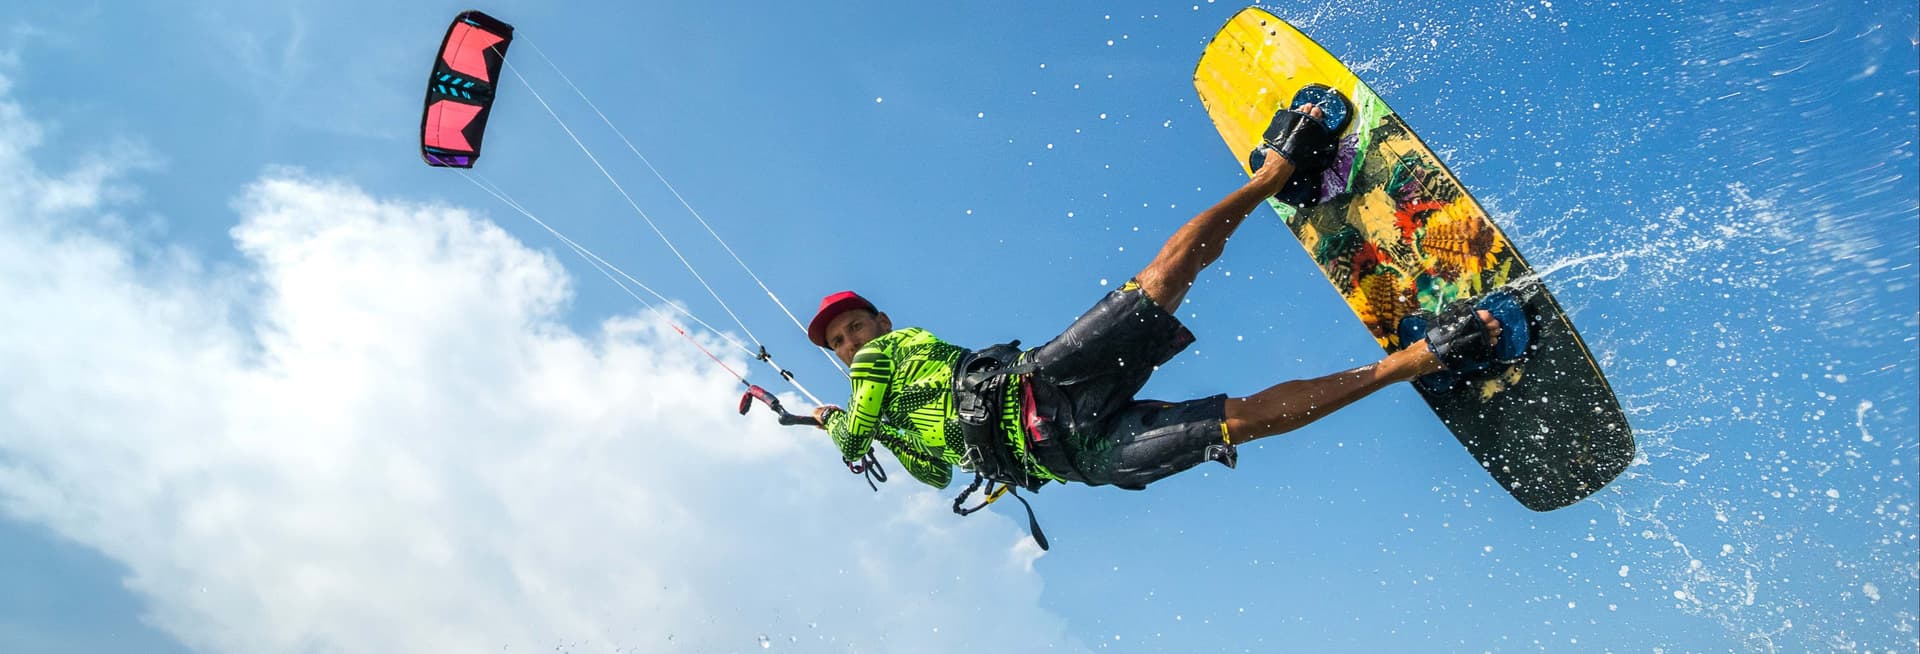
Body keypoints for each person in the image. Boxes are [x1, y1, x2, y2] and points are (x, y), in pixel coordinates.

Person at [806, 100, 1518, 506]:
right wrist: (886, 437)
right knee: (1235, 423)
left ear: (880, 324)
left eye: (855, 328)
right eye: (838, 341)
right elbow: (932, 472)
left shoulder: (888, 356)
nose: (848, 343)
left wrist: (834, 423)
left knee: (1162, 279)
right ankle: (1423, 358)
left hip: (1040, 384)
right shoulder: (881, 402)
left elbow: (856, 425)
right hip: (1074, 455)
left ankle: (1277, 173)